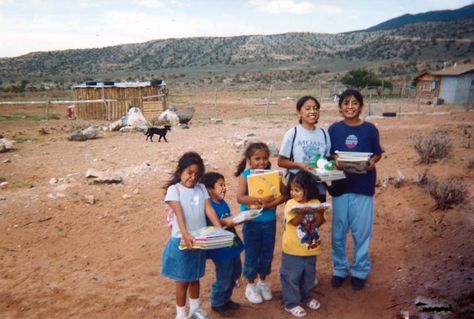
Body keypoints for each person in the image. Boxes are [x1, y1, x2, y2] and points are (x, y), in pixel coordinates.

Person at [328, 89, 383, 290]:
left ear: (361, 106)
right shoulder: (334, 129)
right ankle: (340, 269)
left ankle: (360, 270)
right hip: (341, 186)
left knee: (362, 232)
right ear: (340, 107)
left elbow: (377, 154)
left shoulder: (370, 129)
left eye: (354, 103)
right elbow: (330, 155)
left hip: (363, 186)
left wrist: (371, 162)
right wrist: (336, 160)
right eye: (345, 103)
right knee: (338, 232)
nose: (350, 107)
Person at [161, 151, 224, 319]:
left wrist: (219, 228)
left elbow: (208, 209)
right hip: (182, 241)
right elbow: (179, 214)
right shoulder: (174, 190)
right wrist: (186, 234)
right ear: (180, 171)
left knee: (195, 276)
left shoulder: (201, 188)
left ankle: (195, 309)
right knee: (182, 280)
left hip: (199, 240)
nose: (193, 177)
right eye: (189, 172)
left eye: (197, 174)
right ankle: (181, 314)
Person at [235, 142, 288, 304]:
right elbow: (240, 197)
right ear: (249, 159)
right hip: (251, 221)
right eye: (257, 159)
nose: (262, 162)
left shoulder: (273, 175)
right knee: (252, 253)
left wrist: (271, 204)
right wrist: (259, 200)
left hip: (269, 221)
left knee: (266, 252)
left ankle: (262, 282)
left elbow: (286, 194)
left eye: (265, 158)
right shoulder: (245, 176)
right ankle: (250, 285)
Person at [280, 171, 327, 317]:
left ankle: (306, 297)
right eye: (292, 189)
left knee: (309, 276)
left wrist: (319, 211)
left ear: (308, 190)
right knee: (291, 277)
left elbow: (318, 223)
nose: (293, 193)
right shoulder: (290, 204)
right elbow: (294, 222)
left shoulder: (315, 203)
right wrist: (302, 213)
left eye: (297, 190)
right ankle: (291, 303)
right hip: (292, 249)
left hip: (310, 248)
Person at [201, 172, 244, 318]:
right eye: (220, 185)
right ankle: (217, 302)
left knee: (236, 272)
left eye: (225, 185)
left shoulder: (222, 203)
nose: (224, 188)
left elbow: (228, 219)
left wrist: (239, 219)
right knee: (224, 275)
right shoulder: (209, 207)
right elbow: (212, 226)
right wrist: (225, 223)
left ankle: (227, 299)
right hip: (220, 249)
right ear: (209, 190)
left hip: (232, 245)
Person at [278, 95, 331, 203]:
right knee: (296, 217)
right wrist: (299, 165)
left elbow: (327, 158)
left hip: (318, 187)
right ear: (299, 113)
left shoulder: (324, 134)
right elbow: (281, 161)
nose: (312, 111)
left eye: (316, 108)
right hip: (297, 187)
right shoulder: (293, 133)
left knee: (316, 217)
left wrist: (329, 166)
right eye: (307, 108)